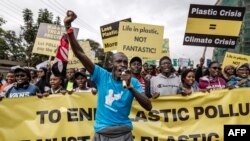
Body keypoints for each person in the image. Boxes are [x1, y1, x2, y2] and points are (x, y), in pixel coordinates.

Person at [64, 10, 152, 141]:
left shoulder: (133, 82)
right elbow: (79, 53)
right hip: (101, 134)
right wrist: (68, 27)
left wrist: (130, 88)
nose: (122, 64)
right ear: (111, 64)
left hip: (124, 134)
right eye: (118, 61)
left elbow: (148, 107)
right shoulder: (101, 75)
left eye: (125, 62)